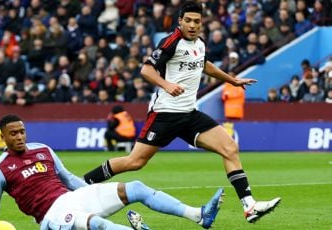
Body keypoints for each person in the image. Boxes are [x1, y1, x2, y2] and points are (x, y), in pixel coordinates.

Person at [83, 1, 280, 224]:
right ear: (180, 21)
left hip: (189, 114)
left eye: (197, 21)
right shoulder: (171, 42)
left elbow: (204, 65)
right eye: (188, 20)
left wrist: (232, 80)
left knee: (230, 148)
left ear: (202, 22)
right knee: (134, 162)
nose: (193, 25)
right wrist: (166, 85)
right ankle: (83, 184)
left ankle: (249, 206)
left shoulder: (201, 43)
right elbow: (146, 69)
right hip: (165, 114)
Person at [0, 114, 224, 230]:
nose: (20, 137)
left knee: (135, 187)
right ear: (2, 136)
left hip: (72, 198)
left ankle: (199, 216)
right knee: (100, 224)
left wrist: (94, 193)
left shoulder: (43, 150)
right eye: (13, 133)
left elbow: (67, 179)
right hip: (50, 217)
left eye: (22, 131)